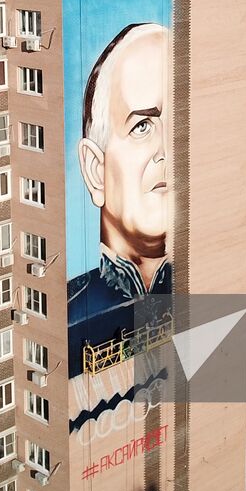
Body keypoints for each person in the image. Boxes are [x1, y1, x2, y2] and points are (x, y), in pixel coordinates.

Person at [68, 23, 172, 331]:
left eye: (179, 121)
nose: (167, 150)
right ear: (95, 171)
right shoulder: (71, 318)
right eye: (141, 126)